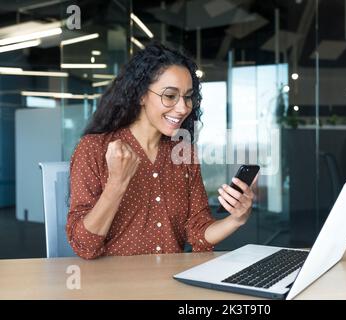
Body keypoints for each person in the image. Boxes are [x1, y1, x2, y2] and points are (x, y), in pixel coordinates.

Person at [66, 41, 257, 259]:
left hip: (168, 283)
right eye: (170, 96)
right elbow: (83, 246)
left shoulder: (183, 152)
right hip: (112, 285)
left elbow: (198, 233)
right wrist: (116, 184)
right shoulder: (93, 149)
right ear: (141, 95)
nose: (183, 107)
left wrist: (236, 219)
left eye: (187, 97)